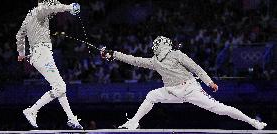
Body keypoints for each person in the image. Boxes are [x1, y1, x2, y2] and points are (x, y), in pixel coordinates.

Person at [101, 36, 267, 130]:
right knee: (152, 95)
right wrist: (113, 54)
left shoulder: (172, 56)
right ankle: (134, 122)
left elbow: (196, 68)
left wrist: (209, 82)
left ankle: (253, 122)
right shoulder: (158, 60)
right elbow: (134, 60)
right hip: (173, 92)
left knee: (219, 109)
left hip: (190, 90)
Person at [16, 0, 83, 129]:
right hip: (42, 53)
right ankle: (32, 110)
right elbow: (53, 7)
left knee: (59, 87)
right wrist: (69, 7)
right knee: (60, 87)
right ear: (43, 3)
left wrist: (21, 53)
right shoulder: (40, 10)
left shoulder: (28, 16)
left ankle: (71, 118)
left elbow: (19, 35)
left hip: (38, 55)